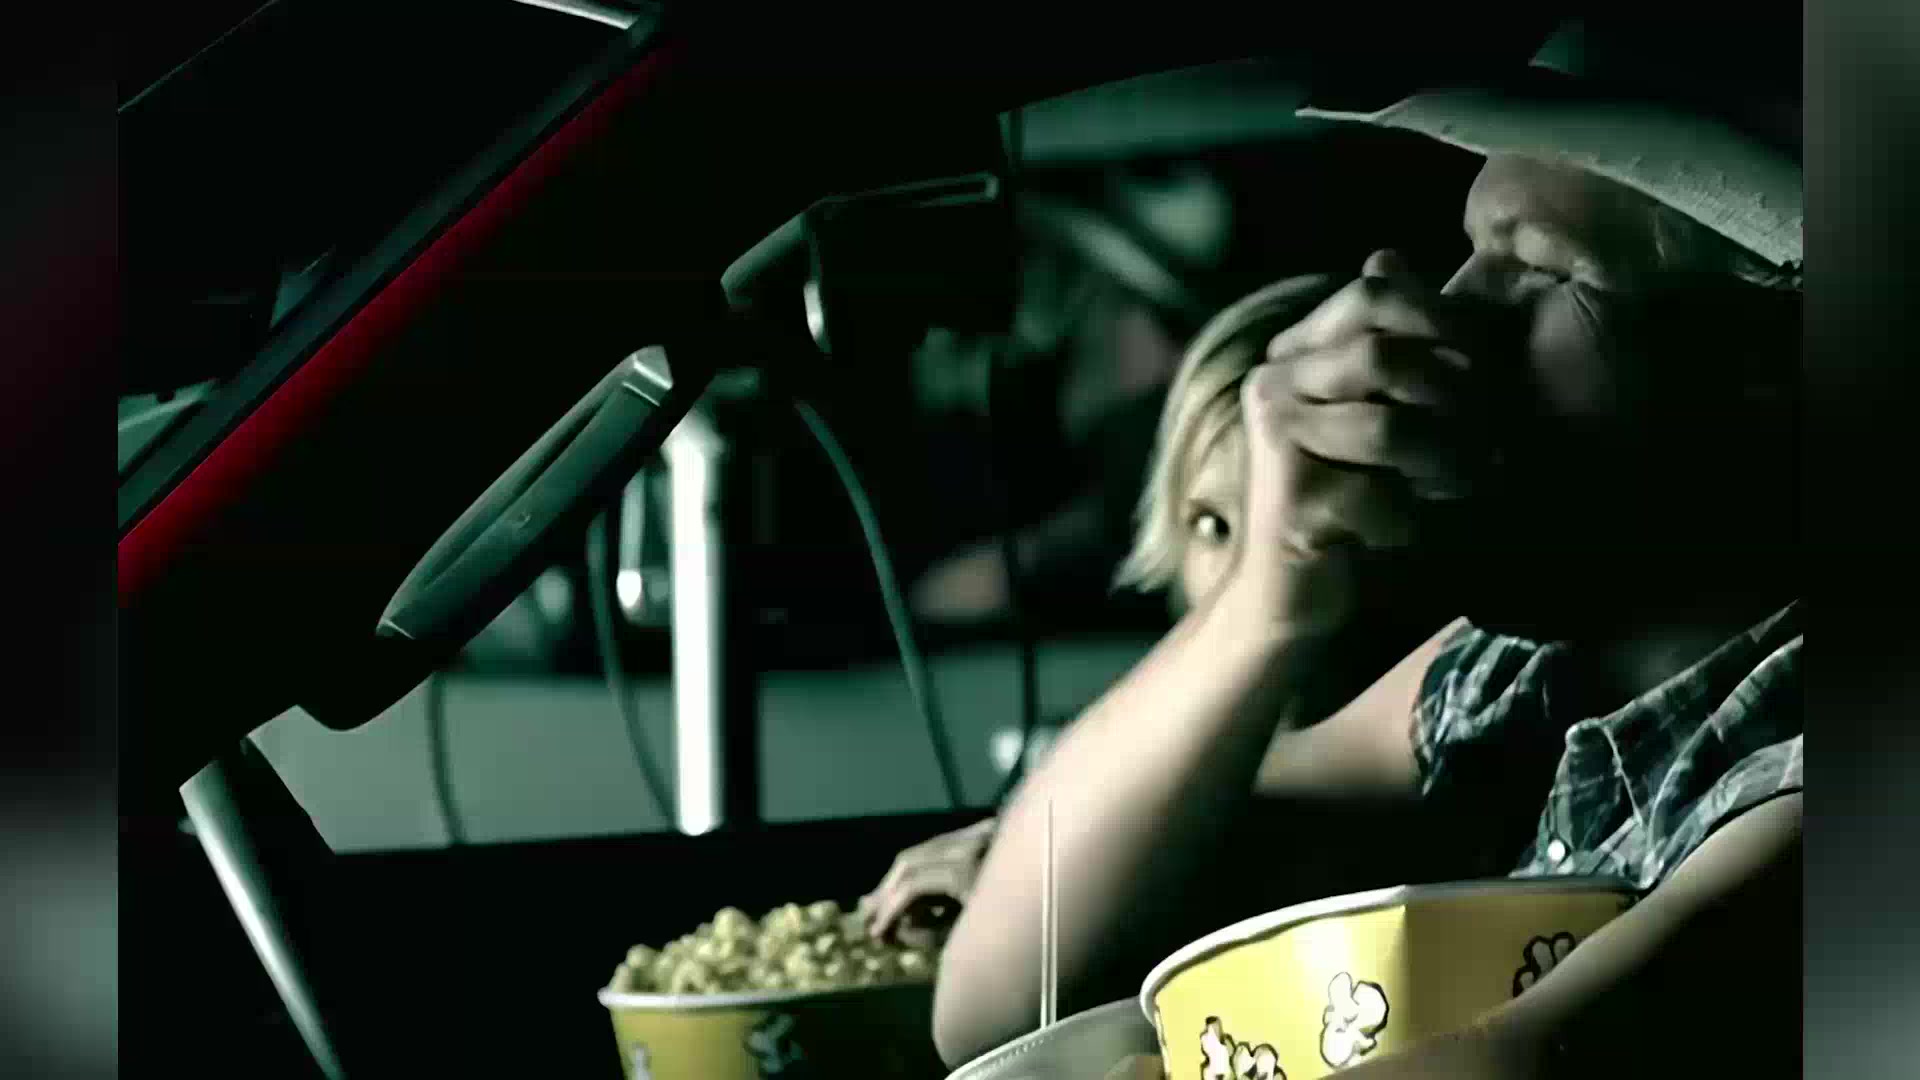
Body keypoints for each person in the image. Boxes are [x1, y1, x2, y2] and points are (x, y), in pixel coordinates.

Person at [932, 73, 1803, 1080]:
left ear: (1775, 363)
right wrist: (1267, 596)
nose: (1449, 311)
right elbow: (995, 999)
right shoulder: (1507, 674)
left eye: (1539, 269)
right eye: (1472, 255)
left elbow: (1523, 1062)